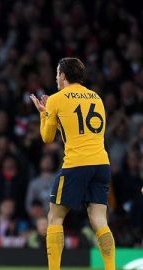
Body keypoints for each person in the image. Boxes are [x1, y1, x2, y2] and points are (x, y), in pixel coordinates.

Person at [30, 57, 115, 270]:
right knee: (99, 220)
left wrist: (43, 114)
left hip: (76, 164)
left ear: (63, 75)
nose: (56, 78)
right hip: (102, 163)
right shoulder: (96, 97)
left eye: (58, 74)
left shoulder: (56, 99)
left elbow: (47, 138)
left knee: (55, 217)